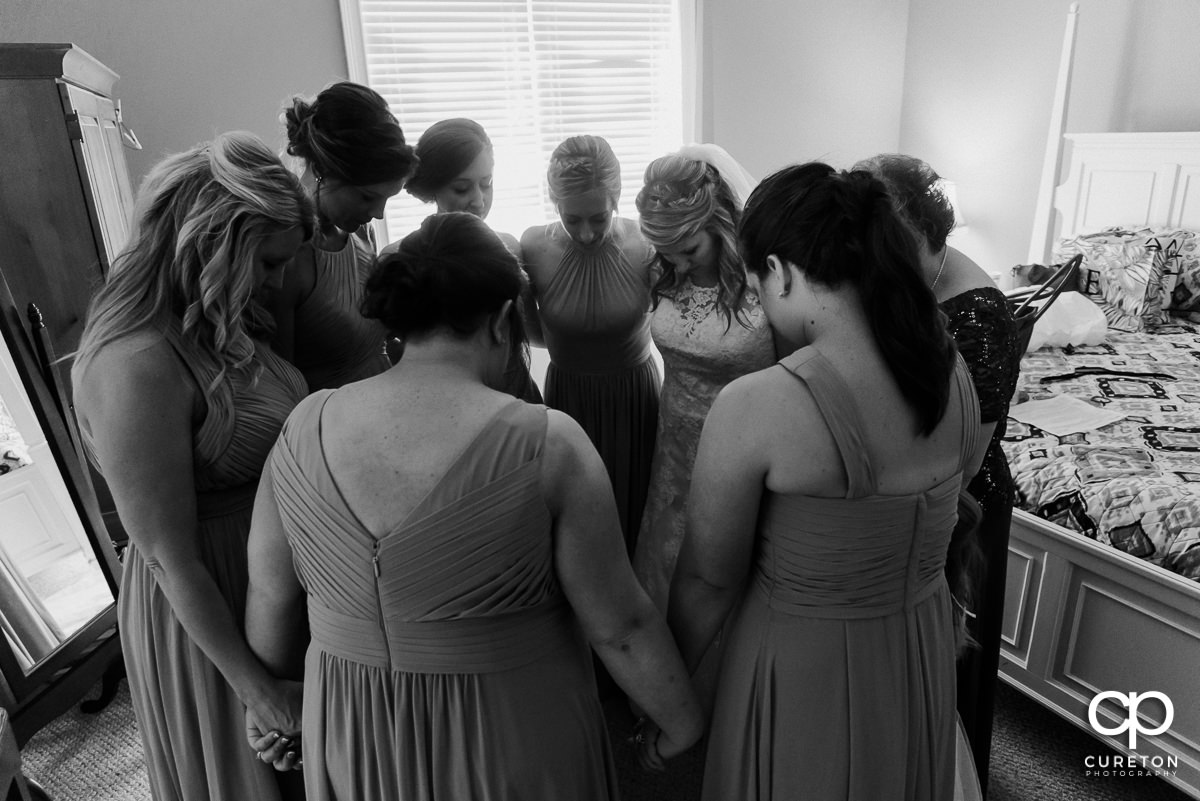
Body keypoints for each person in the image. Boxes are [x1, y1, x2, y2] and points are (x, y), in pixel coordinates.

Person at [243, 212, 703, 800]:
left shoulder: (303, 423)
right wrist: (682, 722)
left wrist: (268, 701)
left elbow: (271, 591)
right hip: (508, 731)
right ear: (504, 319)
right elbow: (619, 626)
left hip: (350, 726)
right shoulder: (550, 443)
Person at [662, 163, 987, 800]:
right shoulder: (953, 374)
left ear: (779, 272)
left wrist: (666, 689)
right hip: (917, 644)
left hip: (803, 663)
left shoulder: (761, 403)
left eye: (757, 283)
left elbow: (707, 579)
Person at [70, 132, 313, 801]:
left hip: (273, 585)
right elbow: (166, 557)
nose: (276, 281)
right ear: (213, 242)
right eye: (265, 261)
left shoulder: (217, 322)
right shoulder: (135, 364)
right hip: (210, 608)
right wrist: (258, 689)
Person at [857, 153, 1021, 796]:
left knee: (947, 661)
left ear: (937, 239)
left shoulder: (980, 315)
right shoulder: (900, 283)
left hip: (963, 506)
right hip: (913, 492)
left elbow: (966, 459)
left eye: (902, 251)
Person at [631, 144, 775, 613]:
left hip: (745, 444)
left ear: (720, 225)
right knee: (669, 553)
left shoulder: (765, 283)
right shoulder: (664, 273)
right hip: (674, 444)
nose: (679, 265)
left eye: (689, 249)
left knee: (725, 571)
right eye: (667, 253)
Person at [521, 135, 658, 553]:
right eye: (571, 218)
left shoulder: (645, 245)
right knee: (573, 522)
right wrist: (579, 344)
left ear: (616, 199)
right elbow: (529, 329)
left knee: (633, 514)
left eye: (598, 218)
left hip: (633, 398)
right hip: (570, 397)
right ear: (554, 202)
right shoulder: (532, 246)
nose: (585, 233)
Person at [266, 81, 416, 390]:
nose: (378, 214)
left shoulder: (359, 230)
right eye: (367, 197)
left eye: (387, 199)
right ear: (323, 169)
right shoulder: (287, 254)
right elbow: (282, 386)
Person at [404, 118, 542, 402]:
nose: (478, 201)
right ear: (434, 188)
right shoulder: (404, 258)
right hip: (448, 403)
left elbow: (532, 332)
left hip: (516, 396)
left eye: (487, 184)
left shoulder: (510, 249)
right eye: (462, 188)